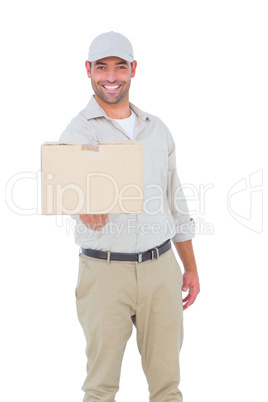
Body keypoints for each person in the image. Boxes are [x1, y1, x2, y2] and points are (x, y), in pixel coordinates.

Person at [60, 31, 200, 402]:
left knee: (168, 386)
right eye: (102, 67)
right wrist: (80, 207)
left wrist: (190, 267)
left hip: (161, 270)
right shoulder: (78, 131)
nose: (111, 76)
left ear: (133, 70)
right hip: (105, 274)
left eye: (120, 67)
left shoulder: (157, 130)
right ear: (88, 70)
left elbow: (176, 201)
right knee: (101, 387)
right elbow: (63, 189)